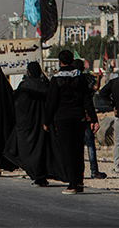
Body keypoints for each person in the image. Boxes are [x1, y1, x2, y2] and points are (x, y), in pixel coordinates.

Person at [44, 50, 99, 195]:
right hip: (79, 118)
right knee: (78, 150)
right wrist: (94, 119)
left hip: (63, 119)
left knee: (67, 151)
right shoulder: (80, 77)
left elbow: (52, 103)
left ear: (60, 62)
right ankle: (79, 182)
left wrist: (46, 121)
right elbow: (87, 100)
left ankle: (72, 184)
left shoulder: (56, 79)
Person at [4, 62, 65, 186]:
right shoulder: (46, 85)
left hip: (28, 126)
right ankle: (42, 175)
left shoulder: (24, 87)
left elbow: (18, 104)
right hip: (44, 125)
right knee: (44, 150)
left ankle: (37, 175)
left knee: (29, 150)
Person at [73, 59, 107, 179]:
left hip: (72, 116)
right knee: (90, 143)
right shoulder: (87, 79)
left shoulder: (69, 81)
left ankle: (73, 173)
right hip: (86, 115)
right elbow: (95, 89)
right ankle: (94, 171)